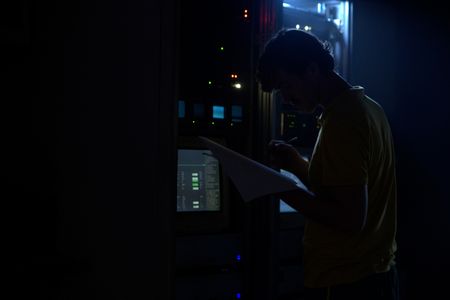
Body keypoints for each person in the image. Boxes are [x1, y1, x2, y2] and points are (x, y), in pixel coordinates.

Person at [257, 29, 399, 300]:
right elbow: (340, 195)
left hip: (348, 281)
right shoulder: (369, 108)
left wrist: (279, 188)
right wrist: (298, 165)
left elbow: (349, 219)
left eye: (286, 85)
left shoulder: (343, 121)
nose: (286, 98)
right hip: (373, 276)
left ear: (312, 69)